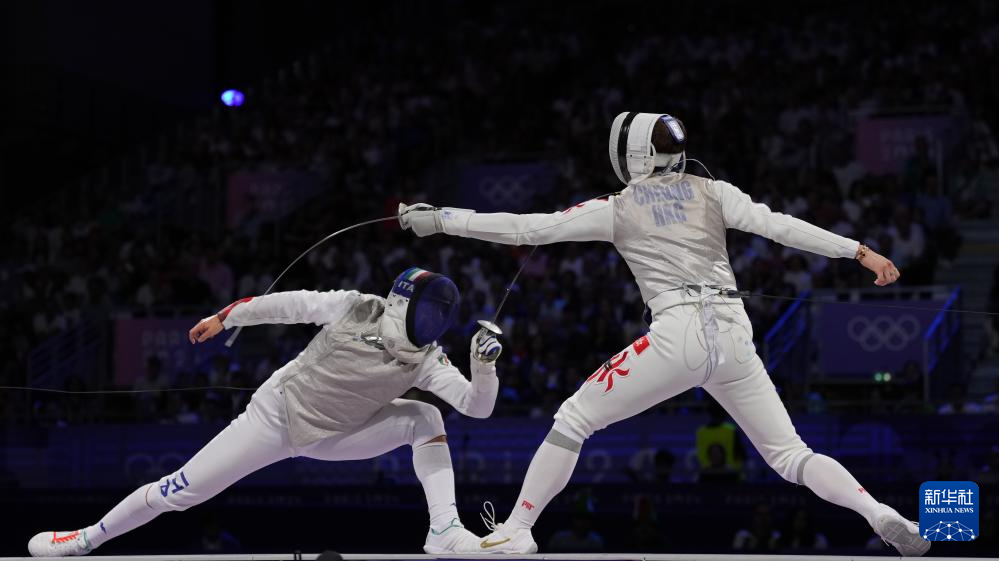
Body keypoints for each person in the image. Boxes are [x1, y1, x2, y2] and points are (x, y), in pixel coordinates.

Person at [399, 112, 928, 556]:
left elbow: (527, 228)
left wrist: (442, 219)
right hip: (735, 336)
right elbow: (781, 225)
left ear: (632, 156)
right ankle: (879, 512)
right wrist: (859, 251)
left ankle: (518, 529)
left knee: (574, 418)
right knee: (790, 454)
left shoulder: (618, 207)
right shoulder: (713, 191)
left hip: (679, 333)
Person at [27, 267, 502, 556]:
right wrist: (225, 317)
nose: (433, 321)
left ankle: (444, 529)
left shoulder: (428, 359)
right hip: (274, 419)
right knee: (180, 491)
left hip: (334, 435)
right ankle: (87, 538)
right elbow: (285, 305)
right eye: (429, 309)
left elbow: (474, 407)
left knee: (426, 418)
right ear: (403, 303)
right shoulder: (355, 308)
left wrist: (483, 369)